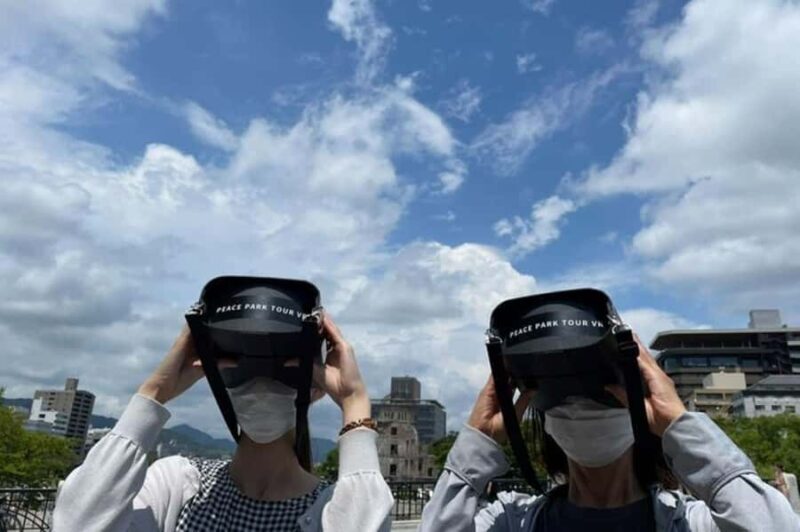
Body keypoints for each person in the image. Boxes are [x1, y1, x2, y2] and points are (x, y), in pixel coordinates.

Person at [53, 313, 393, 531]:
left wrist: (354, 401)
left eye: (281, 373)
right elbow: (78, 523)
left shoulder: (330, 511)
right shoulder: (176, 485)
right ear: (219, 384)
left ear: (316, 389)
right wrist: (155, 391)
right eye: (241, 371)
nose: (260, 387)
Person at [420, 337, 800, 531]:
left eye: (603, 388)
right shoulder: (511, 521)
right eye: (562, 391)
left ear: (640, 404)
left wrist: (678, 424)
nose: (582, 401)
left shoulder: (693, 522)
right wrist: (476, 443)